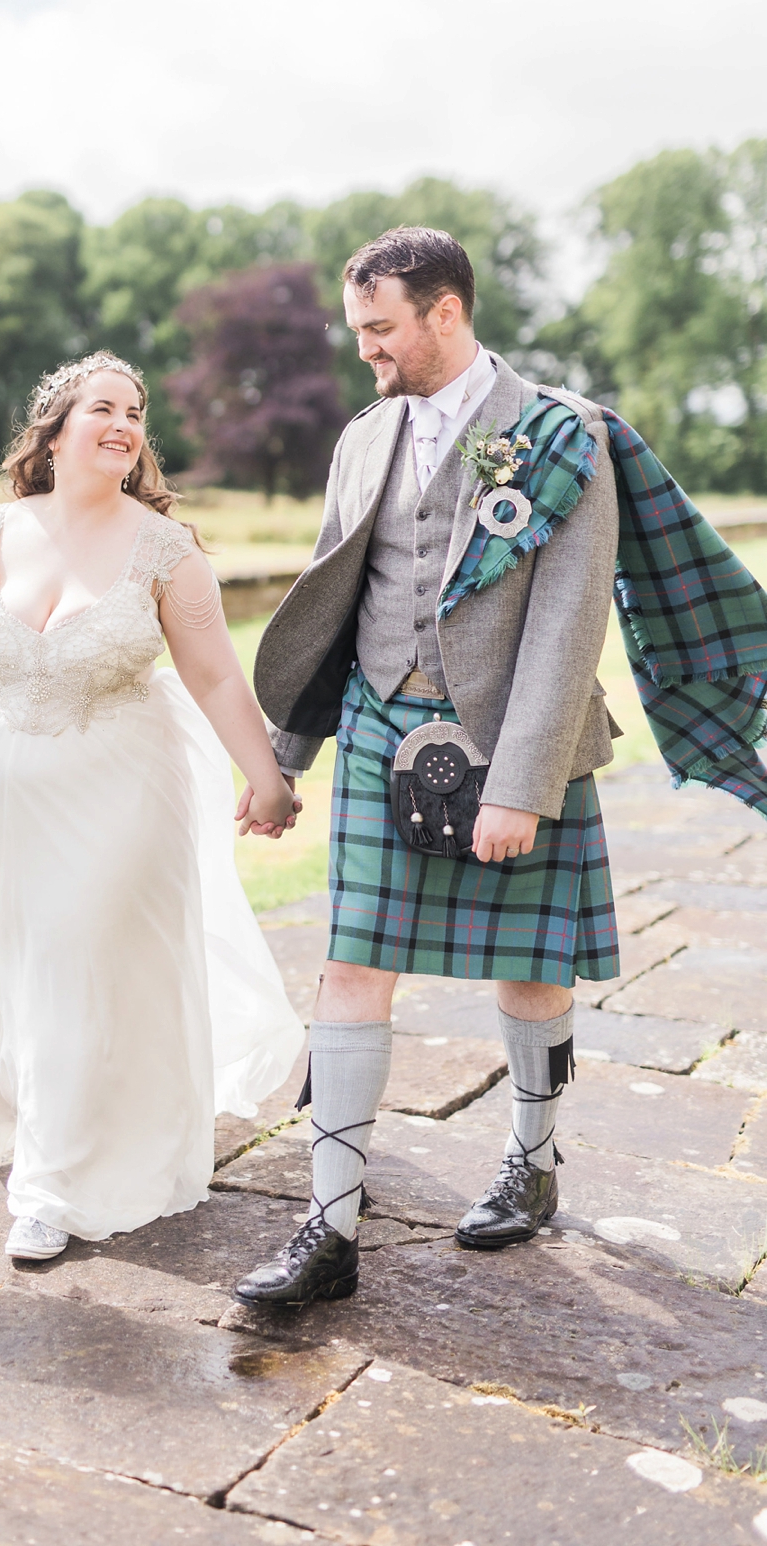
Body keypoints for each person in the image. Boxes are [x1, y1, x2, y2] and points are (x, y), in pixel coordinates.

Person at [233, 226, 623, 1306]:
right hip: (374, 727)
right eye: (359, 330)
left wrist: (520, 785)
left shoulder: (560, 432)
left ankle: (534, 1167)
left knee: (532, 968)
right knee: (349, 967)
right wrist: (286, 758)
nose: (367, 352)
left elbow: (568, 621)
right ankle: (329, 1229)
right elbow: (335, 600)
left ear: (444, 312)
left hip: (507, 743)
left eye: (380, 330)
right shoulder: (366, 437)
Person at [0, 352, 304, 1262]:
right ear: (54, 429)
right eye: (103, 407)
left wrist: (266, 778)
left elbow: (213, 674)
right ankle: (24, 1131)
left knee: (74, 956)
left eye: (135, 412)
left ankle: (56, 1189)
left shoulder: (167, 552)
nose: (125, 424)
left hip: (119, 788)